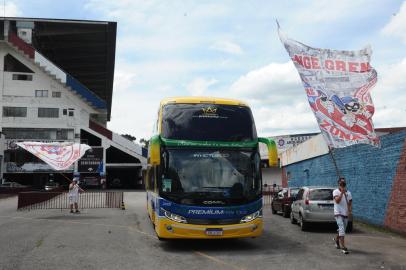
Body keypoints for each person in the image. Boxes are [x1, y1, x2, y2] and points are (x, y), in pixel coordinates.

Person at [333, 177, 352, 254]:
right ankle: (343, 247)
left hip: (345, 213)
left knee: (343, 230)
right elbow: (337, 201)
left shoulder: (349, 193)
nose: (343, 184)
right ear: (339, 184)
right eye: (341, 183)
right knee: (341, 229)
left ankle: (337, 240)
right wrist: (341, 193)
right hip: (338, 213)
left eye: (344, 183)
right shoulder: (335, 191)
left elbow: (350, 202)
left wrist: (350, 210)